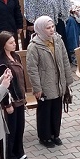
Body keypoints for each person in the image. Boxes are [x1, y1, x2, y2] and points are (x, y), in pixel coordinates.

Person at [24, 16, 70, 147]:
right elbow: (32, 69)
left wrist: (67, 80)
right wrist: (37, 88)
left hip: (58, 82)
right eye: (48, 28)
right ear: (40, 29)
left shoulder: (58, 40)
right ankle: (44, 137)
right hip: (45, 84)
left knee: (57, 109)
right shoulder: (34, 46)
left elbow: (64, 59)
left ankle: (55, 134)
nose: (51, 30)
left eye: (52, 27)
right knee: (45, 111)